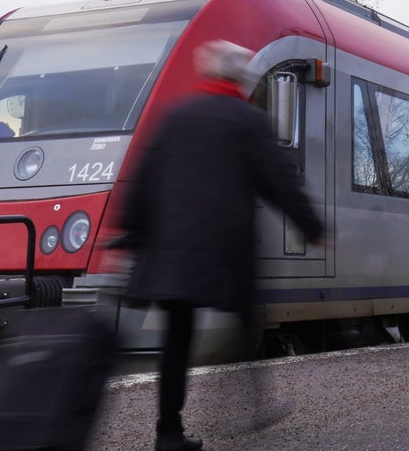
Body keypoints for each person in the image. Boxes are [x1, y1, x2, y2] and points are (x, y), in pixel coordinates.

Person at [109, 40, 324, 451]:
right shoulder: (248, 121)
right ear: (240, 78)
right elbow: (279, 180)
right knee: (247, 320)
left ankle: (168, 432)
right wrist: (310, 226)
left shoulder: (175, 116)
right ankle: (252, 406)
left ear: (208, 74)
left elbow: (143, 177)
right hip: (223, 249)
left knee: (177, 339)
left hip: (170, 250)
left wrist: (129, 232)